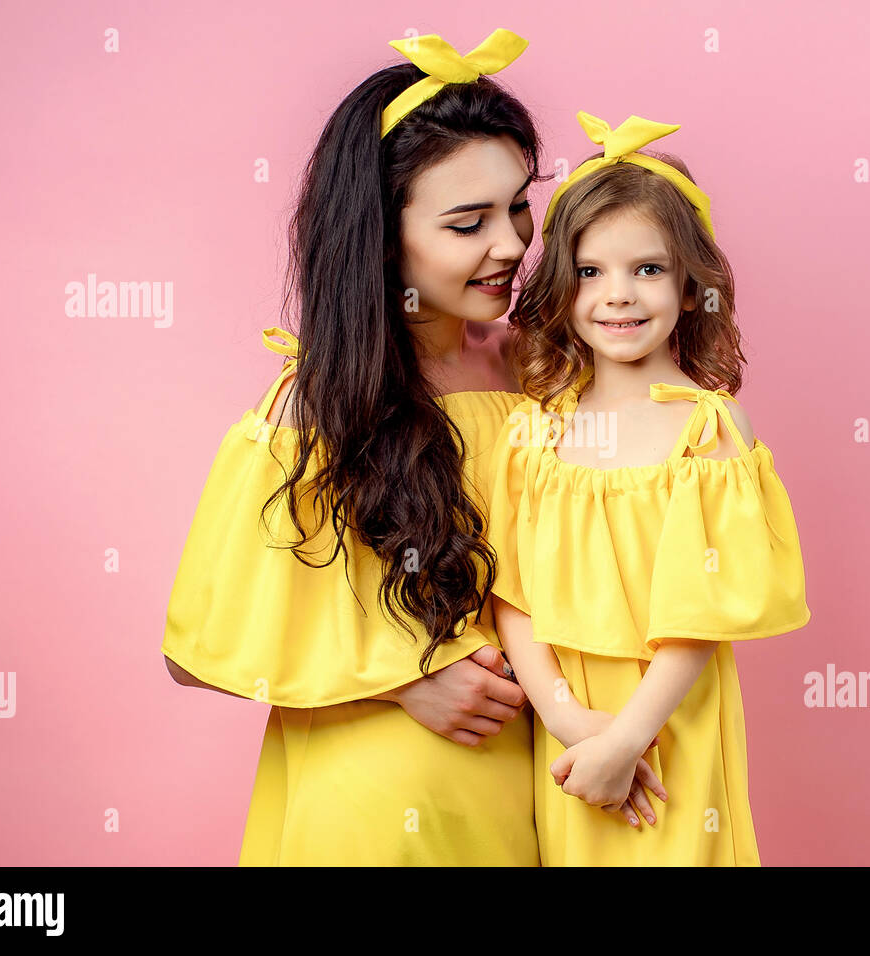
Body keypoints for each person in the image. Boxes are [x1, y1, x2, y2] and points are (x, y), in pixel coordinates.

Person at [161, 29, 545, 865]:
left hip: (538, 789)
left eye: (519, 205)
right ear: (381, 236)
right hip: (381, 808)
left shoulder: (537, 370)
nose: (512, 244)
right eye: (466, 222)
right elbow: (197, 651)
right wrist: (402, 675)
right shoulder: (315, 408)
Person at [487, 111, 813, 865]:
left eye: (648, 269)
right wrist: (575, 726)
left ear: (690, 283)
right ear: (564, 283)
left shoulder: (709, 431)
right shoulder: (535, 431)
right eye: (592, 271)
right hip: (568, 738)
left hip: (667, 728)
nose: (618, 296)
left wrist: (629, 738)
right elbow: (512, 596)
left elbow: (702, 612)